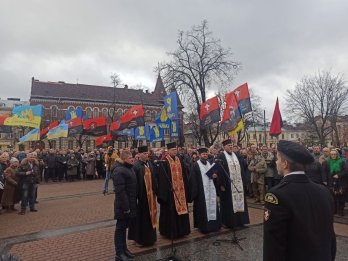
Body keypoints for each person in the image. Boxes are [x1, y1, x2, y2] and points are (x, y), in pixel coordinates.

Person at [263, 140, 336, 261]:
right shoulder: (324, 191)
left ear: (285, 164)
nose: (276, 162)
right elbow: (331, 237)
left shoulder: (276, 195)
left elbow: (274, 244)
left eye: (278, 159)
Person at [156, 141, 190, 238]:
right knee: (171, 213)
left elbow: (185, 175)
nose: (175, 151)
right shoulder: (164, 161)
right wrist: (165, 193)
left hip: (181, 191)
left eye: (176, 149)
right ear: (168, 151)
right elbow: (162, 179)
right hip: (170, 193)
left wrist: (186, 188)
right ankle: (170, 232)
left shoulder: (180, 160)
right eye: (173, 150)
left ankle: (182, 231)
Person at [215, 139, 250, 228]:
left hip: (238, 184)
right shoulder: (220, 156)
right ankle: (229, 222)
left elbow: (243, 168)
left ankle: (240, 221)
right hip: (227, 185)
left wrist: (244, 181)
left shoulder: (237, 155)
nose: (231, 147)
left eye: (231, 145)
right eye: (228, 146)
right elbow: (218, 172)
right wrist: (221, 184)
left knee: (240, 202)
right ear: (224, 147)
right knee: (228, 204)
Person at [128, 145, 158, 246]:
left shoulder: (150, 163)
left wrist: (156, 190)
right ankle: (140, 239)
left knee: (150, 218)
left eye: (147, 153)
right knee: (142, 219)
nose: (146, 155)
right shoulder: (136, 166)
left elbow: (154, 178)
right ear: (139, 154)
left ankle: (151, 238)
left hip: (151, 196)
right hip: (141, 197)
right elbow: (134, 183)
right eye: (144, 153)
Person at [190, 147, 221, 233]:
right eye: (203, 154)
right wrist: (195, 193)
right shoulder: (196, 165)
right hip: (201, 192)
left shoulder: (209, 163)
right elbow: (193, 180)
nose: (205, 155)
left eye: (206, 154)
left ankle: (214, 225)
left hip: (211, 190)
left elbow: (213, 175)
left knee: (213, 206)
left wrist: (215, 176)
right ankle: (204, 227)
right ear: (199, 155)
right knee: (203, 209)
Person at [112, 150, 137, 261]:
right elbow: (120, 192)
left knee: (124, 228)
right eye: (130, 157)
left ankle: (125, 250)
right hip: (122, 206)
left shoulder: (128, 168)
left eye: (132, 157)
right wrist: (126, 208)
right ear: (124, 158)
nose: (133, 159)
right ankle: (119, 253)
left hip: (129, 204)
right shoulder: (119, 171)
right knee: (120, 228)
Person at [322, 149, 347, 216]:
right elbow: (324, 172)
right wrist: (324, 180)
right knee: (332, 197)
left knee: (341, 196)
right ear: (330, 155)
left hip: (341, 181)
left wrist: (338, 175)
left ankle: (340, 211)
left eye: (335, 154)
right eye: (332, 154)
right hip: (330, 181)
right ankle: (334, 210)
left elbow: (345, 171)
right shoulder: (326, 162)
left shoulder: (342, 162)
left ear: (337, 155)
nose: (333, 155)